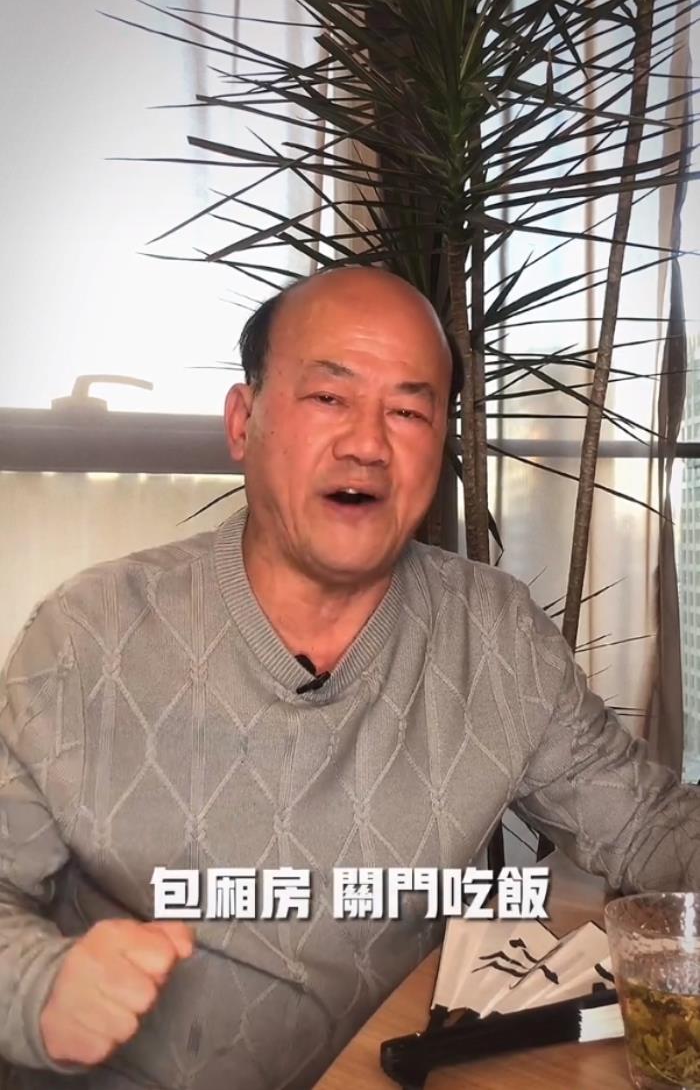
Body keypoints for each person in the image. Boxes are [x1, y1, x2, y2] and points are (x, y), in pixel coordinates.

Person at [0, 267, 698, 1090]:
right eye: (329, 397)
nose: (368, 443)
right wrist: (39, 989)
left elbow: (650, 829)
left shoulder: (495, 636)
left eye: (408, 411)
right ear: (243, 421)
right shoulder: (89, 636)